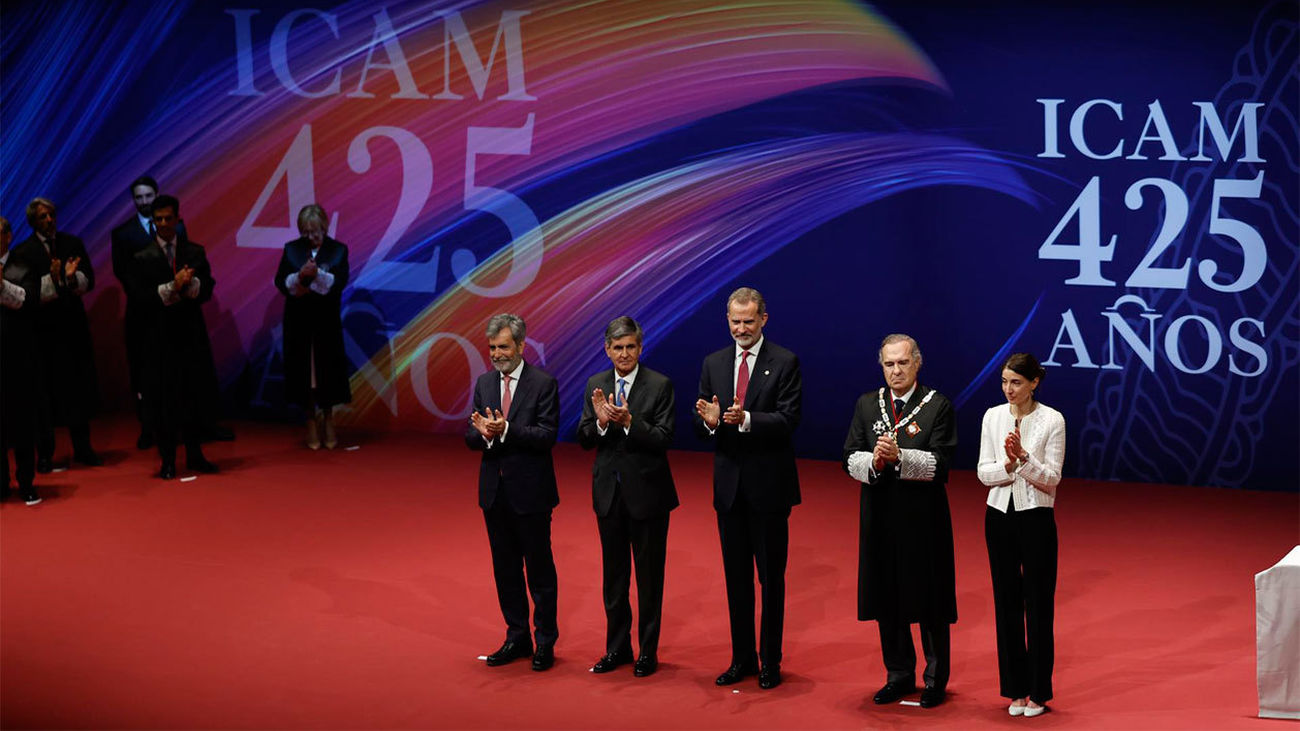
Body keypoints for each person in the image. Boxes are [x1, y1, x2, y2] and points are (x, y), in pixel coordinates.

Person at [842, 333, 957, 709]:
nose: (896, 370)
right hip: (879, 515)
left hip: (923, 519)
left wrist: (900, 457)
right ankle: (899, 674)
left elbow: (941, 464)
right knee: (887, 595)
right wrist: (874, 462)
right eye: (889, 364)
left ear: (917, 363)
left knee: (930, 599)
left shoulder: (937, 405)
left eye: (903, 363)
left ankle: (935, 679)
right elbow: (849, 458)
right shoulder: (866, 404)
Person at [694, 287, 801, 690]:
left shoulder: (785, 361)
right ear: (728, 321)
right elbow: (702, 423)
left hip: (769, 489)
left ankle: (770, 660)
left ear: (764, 320)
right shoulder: (713, 363)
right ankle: (741, 659)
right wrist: (709, 421)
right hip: (729, 490)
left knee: (771, 579)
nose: (741, 328)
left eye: (749, 321)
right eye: (735, 322)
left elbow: (790, 419)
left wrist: (746, 419)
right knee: (736, 579)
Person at [577, 316, 678, 677]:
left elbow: (665, 437)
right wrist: (603, 422)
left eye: (630, 347)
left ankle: (647, 652)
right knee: (614, 578)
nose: (624, 353)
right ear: (607, 350)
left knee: (649, 579)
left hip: (648, 494)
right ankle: (617, 648)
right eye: (617, 348)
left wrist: (630, 422)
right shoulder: (596, 384)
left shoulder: (659, 384)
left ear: (640, 347)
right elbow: (585, 436)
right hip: (608, 494)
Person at [465, 314, 561, 672]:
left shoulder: (543, 384)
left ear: (521, 346)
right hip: (494, 492)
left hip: (532, 493)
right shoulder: (485, 383)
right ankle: (517, 636)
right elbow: (470, 437)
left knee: (539, 571)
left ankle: (545, 642)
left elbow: (546, 436)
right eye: (492, 347)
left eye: (504, 346)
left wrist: (506, 430)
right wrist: (485, 433)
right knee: (505, 570)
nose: (497, 354)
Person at [975, 353, 1064, 718]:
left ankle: (1039, 692)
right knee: (1006, 603)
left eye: (1016, 383)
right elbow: (983, 472)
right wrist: (1007, 465)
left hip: (1037, 519)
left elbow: (1052, 477)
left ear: (1033, 383)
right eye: (1004, 382)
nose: (1009, 389)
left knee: (1038, 605)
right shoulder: (993, 416)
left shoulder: (1052, 419)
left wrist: (1023, 457)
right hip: (999, 517)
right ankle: (1015, 688)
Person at [127, 194, 220, 479]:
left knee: (193, 398)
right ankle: (167, 460)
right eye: (159, 219)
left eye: (169, 218)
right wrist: (172, 286)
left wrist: (190, 284)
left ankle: (195, 455)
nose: (164, 224)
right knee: (164, 403)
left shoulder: (195, 252)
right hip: (158, 339)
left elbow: (207, 289)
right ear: (153, 223)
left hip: (190, 336)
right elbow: (140, 298)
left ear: (178, 219)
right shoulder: (141, 258)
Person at [11, 198, 102, 472]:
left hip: (73, 327)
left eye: (51, 215)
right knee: (45, 395)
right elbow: (27, 293)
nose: (49, 220)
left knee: (78, 388)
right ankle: (46, 454)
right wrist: (54, 280)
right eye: (43, 217)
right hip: (42, 332)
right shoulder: (23, 252)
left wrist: (71, 278)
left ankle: (83, 447)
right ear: (32, 222)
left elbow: (90, 281)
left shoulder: (71, 243)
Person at [274, 204, 351, 449]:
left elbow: (339, 282)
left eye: (315, 232)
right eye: (306, 232)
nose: (311, 238)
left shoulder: (338, 250)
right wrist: (299, 278)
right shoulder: (292, 250)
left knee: (327, 371)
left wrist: (317, 275)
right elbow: (280, 282)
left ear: (325, 227)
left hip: (325, 322)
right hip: (299, 321)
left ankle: (328, 418)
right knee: (304, 374)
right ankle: (309, 419)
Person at [111, 175, 176, 450]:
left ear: (157, 195)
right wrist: (151, 295)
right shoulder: (123, 234)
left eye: (148, 196)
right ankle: (147, 427)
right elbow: (122, 273)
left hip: (173, 313)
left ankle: (180, 423)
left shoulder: (177, 227)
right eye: (139, 197)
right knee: (143, 372)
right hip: (141, 313)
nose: (144, 202)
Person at [1, 215, 42, 505]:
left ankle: (26, 481)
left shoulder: (23, 266)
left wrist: (0, 285)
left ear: (8, 236)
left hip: (17, 356)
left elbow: (28, 302)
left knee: (22, 423)